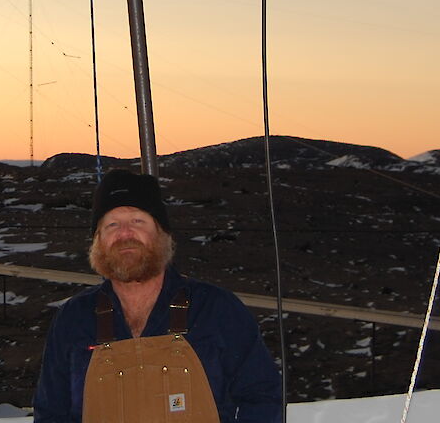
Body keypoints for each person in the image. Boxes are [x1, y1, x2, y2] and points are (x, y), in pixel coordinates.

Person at [33, 169, 283, 422]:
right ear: (98, 241)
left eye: (137, 221)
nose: (125, 234)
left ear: (162, 233)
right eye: (112, 225)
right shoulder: (73, 319)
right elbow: (51, 413)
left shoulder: (216, 309)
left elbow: (263, 396)